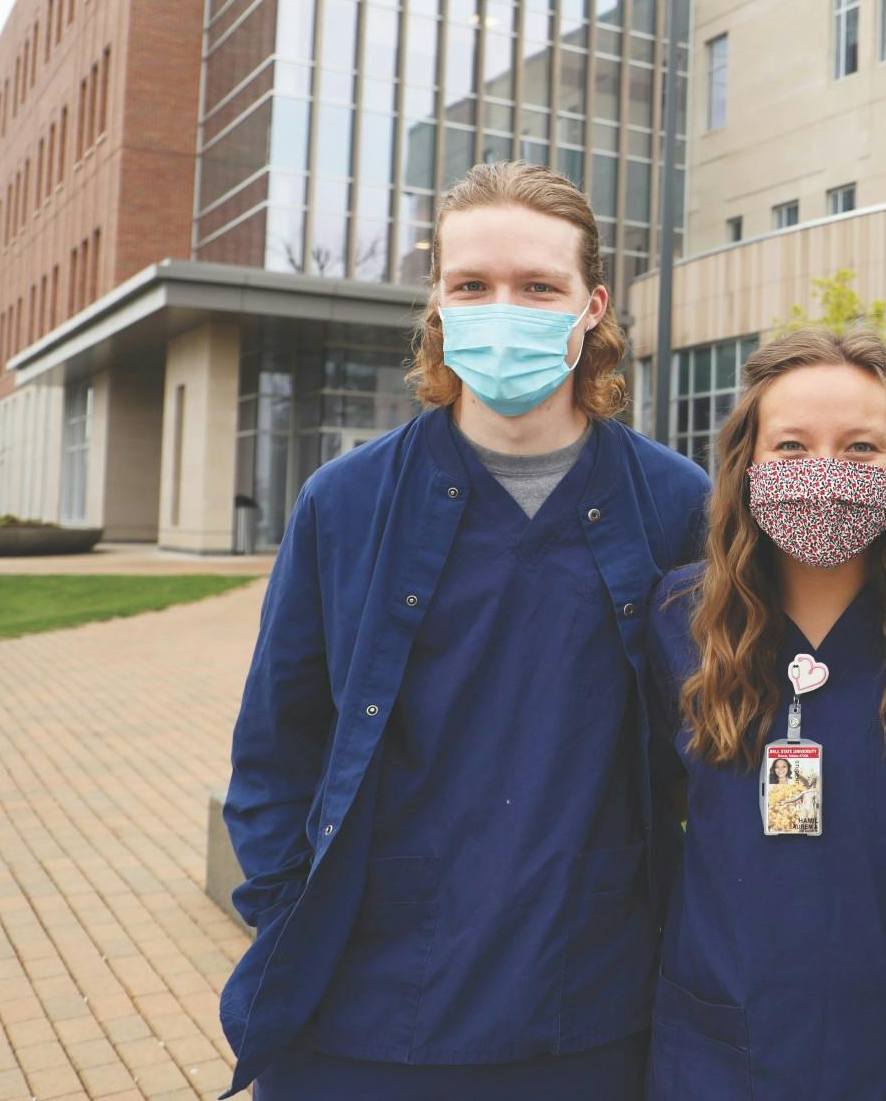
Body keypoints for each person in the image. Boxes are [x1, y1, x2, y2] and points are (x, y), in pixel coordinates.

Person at [220, 163, 710, 1098]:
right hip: (366, 1015)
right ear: (438, 301)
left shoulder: (674, 503)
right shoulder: (346, 502)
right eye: (472, 285)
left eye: (537, 287)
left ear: (592, 304)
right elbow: (276, 748)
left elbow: (710, 743)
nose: (502, 309)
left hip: (594, 1010)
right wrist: (288, 913)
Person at [646, 327, 886, 1099]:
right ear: (747, 464)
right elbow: (668, 804)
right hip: (720, 1050)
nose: (825, 472)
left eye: (862, 448)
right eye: (792, 446)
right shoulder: (678, 616)